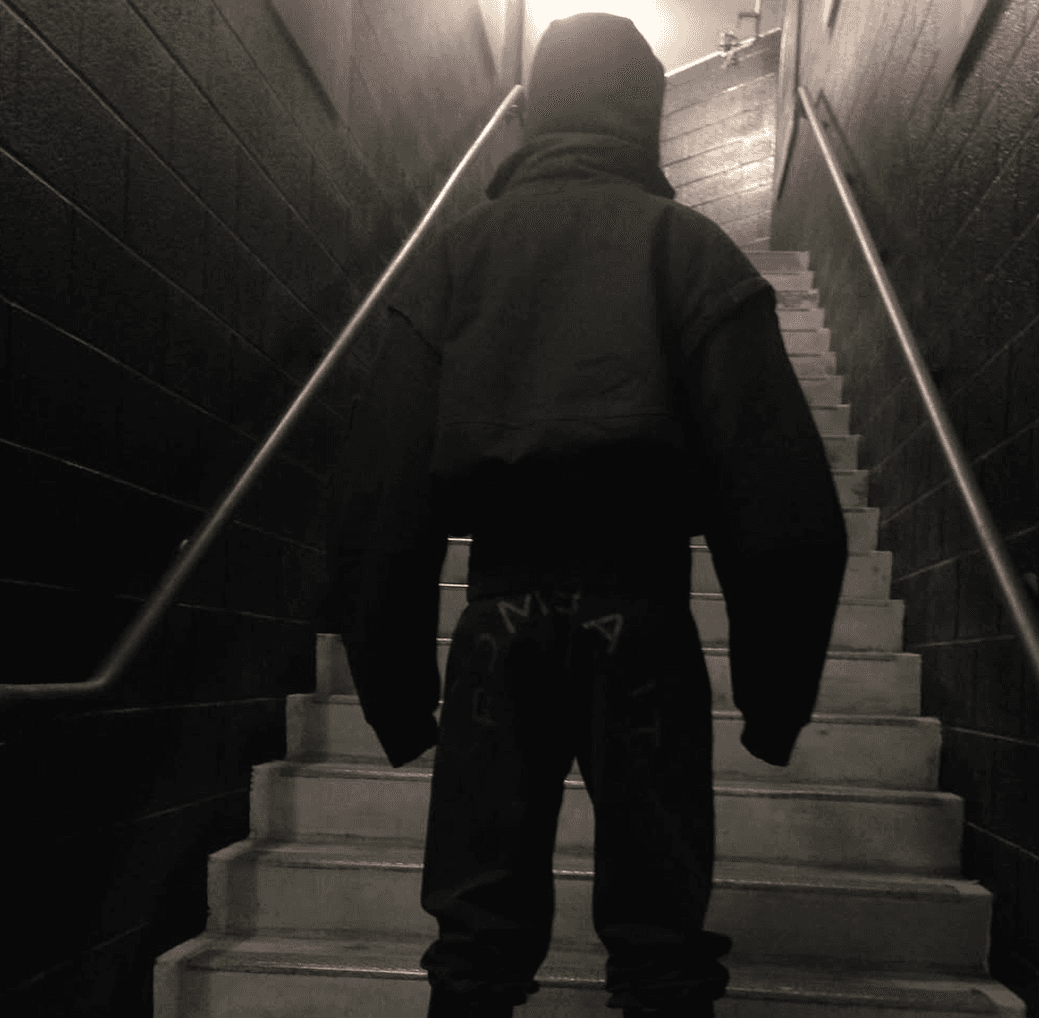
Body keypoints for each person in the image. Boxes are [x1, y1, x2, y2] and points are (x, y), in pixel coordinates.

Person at [325, 12, 848, 1018]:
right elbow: (782, 505)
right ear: (647, 115)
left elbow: (374, 494)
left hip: (499, 619)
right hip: (640, 611)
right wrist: (774, 699)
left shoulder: (457, 258)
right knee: (661, 941)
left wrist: (394, 688)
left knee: (475, 938)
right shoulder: (690, 253)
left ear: (535, 113)